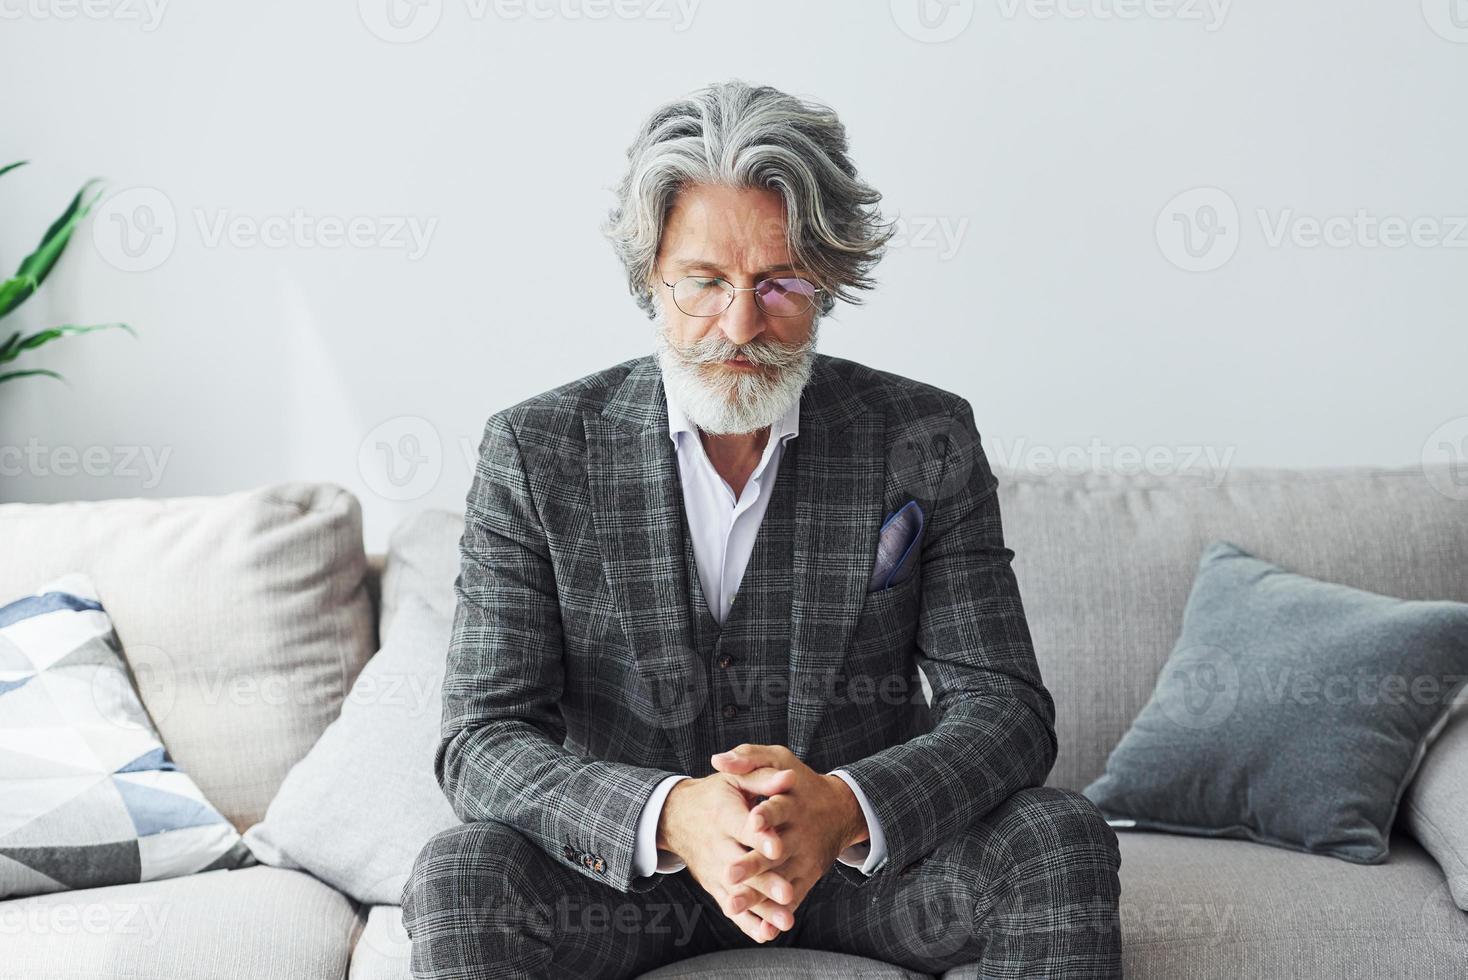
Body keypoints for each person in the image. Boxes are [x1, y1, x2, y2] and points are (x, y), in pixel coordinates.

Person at [402, 78, 1122, 979]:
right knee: (462, 873)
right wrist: (672, 816)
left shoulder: (922, 437)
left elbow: (1006, 710)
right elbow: (483, 738)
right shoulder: (536, 450)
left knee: (1058, 836)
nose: (740, 325)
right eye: (704, 282)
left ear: (829, 279)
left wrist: (844, 807)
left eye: (778, 283)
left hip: (864, 874)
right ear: (651, 281)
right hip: (628, 885)